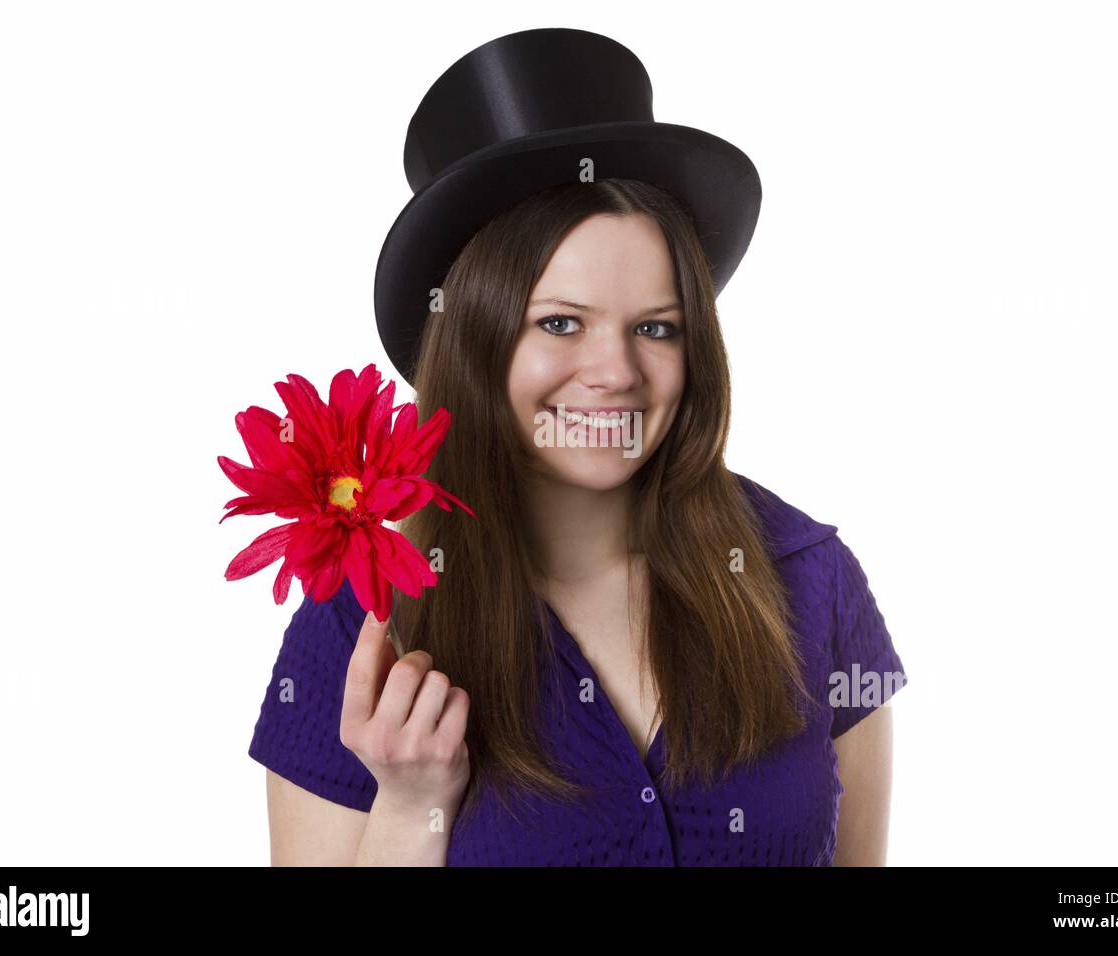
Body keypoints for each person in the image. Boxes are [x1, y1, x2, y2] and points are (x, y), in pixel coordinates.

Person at [247, 29, 908, 866]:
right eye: (560, 322)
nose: (616, 372)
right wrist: (413, 809)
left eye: (656, 328)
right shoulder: (360, 611)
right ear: (477, 339)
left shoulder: (814, 580)